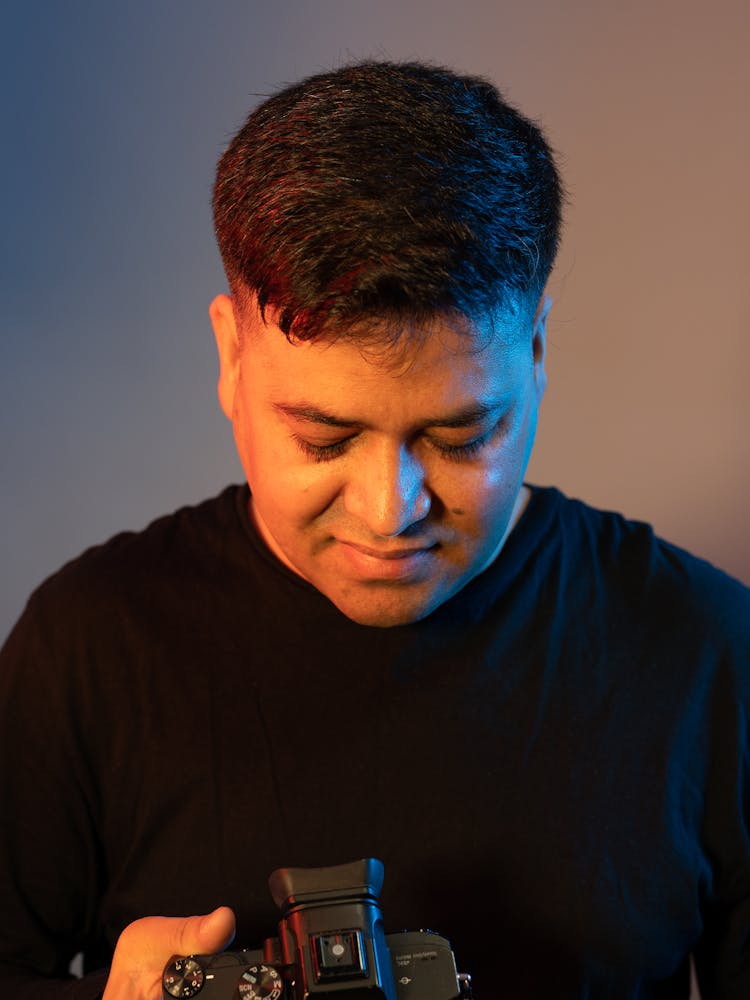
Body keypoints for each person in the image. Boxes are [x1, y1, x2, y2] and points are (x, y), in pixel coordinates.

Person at [1, 59, 748, 1000]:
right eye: (323, 437)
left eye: (459, 435)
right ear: (232, 355)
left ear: (539, 352)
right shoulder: (86, 649)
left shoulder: (712, 654)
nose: (389, 510)